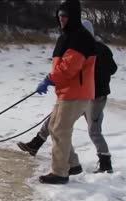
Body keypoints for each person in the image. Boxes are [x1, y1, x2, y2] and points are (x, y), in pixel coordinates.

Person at [17, 19, 117, 176]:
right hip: (80, 94)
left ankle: (105, 163)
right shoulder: (86, 48)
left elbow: (111, 69)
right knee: (56, 122)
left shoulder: (96, 49)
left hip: (95, 97)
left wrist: (91, 77)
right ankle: (37, 144)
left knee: (92, 131)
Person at [25, 0, 96, 184]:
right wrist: (53, 81)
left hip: (76, 93)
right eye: (59, 16)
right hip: (67, 91)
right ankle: (72, 164)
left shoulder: (80, 37)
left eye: (65, 16)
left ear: (73, 17)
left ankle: (60, 173)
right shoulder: (68, 35)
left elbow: (68, 68)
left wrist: (49, 79)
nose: (62, 19)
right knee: (54, 127)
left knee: (60, 130)